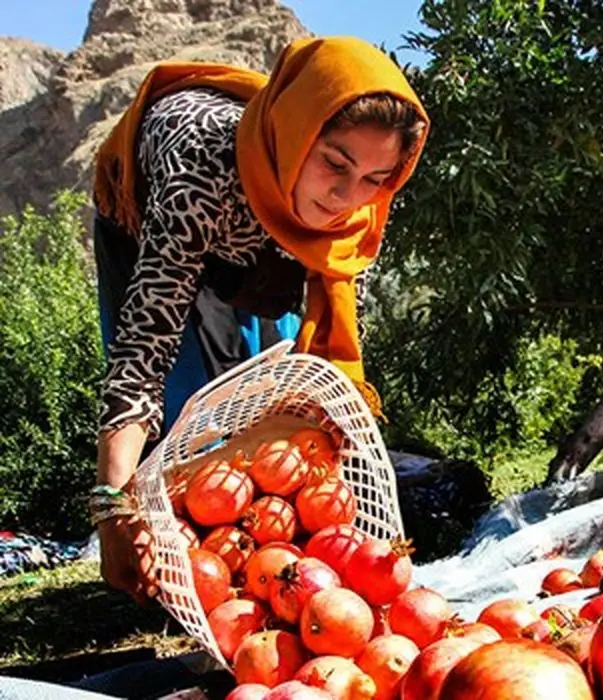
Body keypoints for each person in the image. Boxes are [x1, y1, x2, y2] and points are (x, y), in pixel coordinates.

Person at [86, 36, 429, 604]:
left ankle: (273, 567)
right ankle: (186, 564)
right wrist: (110, 507)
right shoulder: (199, 175)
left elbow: (326, 351)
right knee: (186, 409)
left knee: (275, 403)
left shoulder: (356, 209)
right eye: (335, 163)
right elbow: (142, 355)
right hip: (156, 220)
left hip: (267, 237)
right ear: (295, 136)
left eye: (374, 177)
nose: (348, 196)